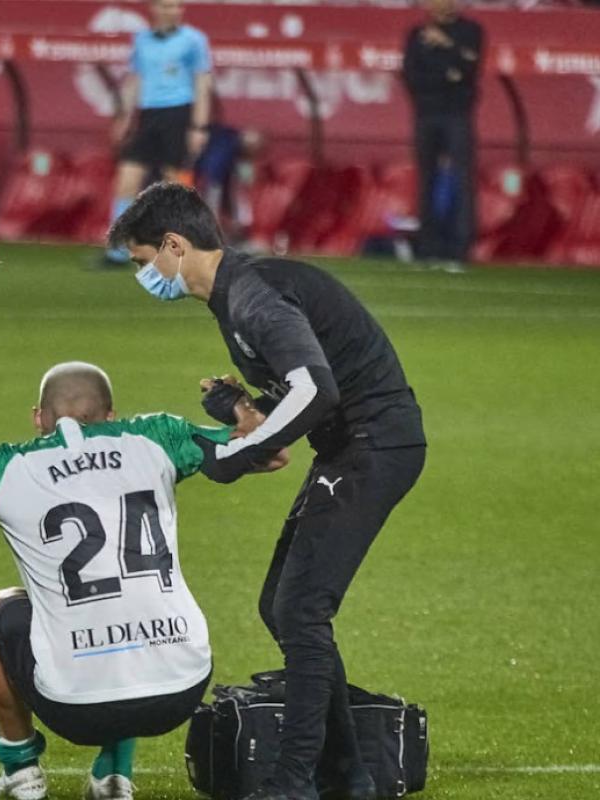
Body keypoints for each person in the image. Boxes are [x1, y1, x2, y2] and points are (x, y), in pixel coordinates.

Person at [0, 362, 287, 800]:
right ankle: (114, 774)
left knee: (6, 607)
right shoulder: (158, 438)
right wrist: (240, 409)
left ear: (38, 419)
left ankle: (21, 768)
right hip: (182, 689)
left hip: (73, 705)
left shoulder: (1, 468)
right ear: (111, 415)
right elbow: (272, 453)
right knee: (131, 606)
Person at [109, 182, 426, 800]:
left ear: (175, 245)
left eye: (144, 262)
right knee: (281, 606)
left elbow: (317, 392)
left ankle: (294, 782)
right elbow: (289, 425)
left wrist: (232, 454)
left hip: (374, 444)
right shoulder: (236, 297)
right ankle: (349, 775)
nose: (144, 277)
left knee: (301, 610)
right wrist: (241, 412)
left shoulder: (253, 298)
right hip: (352, 445)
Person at [103, 0, 212, 265]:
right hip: (148, 114)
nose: (173, 11)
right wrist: (124, 117)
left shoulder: (194, 40)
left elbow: (202, 82)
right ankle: (117, 251)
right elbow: (135, 79)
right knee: (127, 179)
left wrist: (199, 126)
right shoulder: (141, 40)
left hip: (178, 112)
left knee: (175, 183)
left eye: (177, 6)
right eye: (167, 6)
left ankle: (184, 248)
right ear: (154, 9)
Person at [402, 0, 483, 269]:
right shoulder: (416, 34)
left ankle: (459, 248)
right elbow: (411, 75)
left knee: (461, 178)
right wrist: (448, 73)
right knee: (426, 179)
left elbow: (468, 70)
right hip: (426, 113)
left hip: (457, 114)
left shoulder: (471, 31)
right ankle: (428, 247)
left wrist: (446, 48)